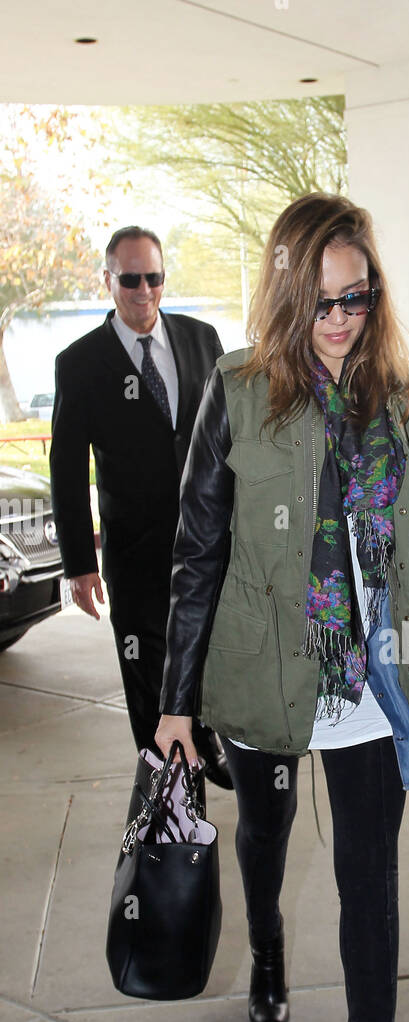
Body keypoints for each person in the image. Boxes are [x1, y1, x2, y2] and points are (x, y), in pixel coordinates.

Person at [155, 194, 409, 1022]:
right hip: (264, 669)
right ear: (288, 294)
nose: (340, 319)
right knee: (266, 835)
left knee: (372, 891)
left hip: (366, 680)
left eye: (357, 297)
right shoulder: (236, 391)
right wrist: (174, 702)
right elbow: (195, 552)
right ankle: (268, 943)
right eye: (322, 300)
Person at [49, 225, 230, 785]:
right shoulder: (80, 363)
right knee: (146, 668)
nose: (144, 290)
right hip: (134, 554)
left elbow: (231, 438)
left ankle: (206, 743)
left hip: (206, 543)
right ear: (108, 280)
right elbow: (66, 466)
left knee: (203, 652)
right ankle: (166, 779)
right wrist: (80, 563)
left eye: (153, 277)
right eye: (131, 279)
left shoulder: (203, 340)